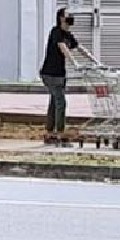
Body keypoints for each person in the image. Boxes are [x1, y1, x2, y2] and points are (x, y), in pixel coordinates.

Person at [40, 8, 78, 144]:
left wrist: (95, 61)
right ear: (61, 18)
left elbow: (78, 47)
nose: (71, 18)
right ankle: (59, 132)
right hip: (50, 73)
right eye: (69, 15)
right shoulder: (56, 32)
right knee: (60, 102)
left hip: (59, 74)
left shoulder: (68, 34)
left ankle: (50, 131)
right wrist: (75, 63)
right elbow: (63, 48)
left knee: (54, 102)